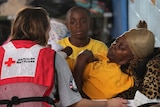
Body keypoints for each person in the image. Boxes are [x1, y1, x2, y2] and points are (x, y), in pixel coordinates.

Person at [0, 7, 128, 107]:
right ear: (45, 30)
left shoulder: (1, 53)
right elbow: (74, 103)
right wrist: (109, 104)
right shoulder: (52, 57)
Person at [71, 27, 155, 100]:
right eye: (116, 41)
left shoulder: (115, 77)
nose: (113, 46)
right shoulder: (109, 57)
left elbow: (77, 99)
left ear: (133, 58)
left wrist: (80, 61)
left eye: (120, 47)